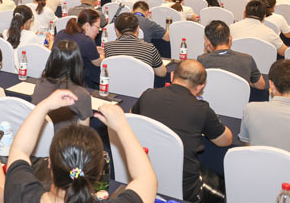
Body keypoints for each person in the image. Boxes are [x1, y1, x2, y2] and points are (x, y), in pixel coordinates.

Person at [6, 90, 156, 203]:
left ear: (49, 162)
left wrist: (43, 106)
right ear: (99, 170)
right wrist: (122, 126)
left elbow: (19, 149)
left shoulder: (20, 193)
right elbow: (146, 178)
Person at [132, 60, 232, 202]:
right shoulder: (202, 109)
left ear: (172, 75)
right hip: (185, 189)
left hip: (141, 174)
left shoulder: (148, 95)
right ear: (200, 87)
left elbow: (132, 119)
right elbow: (225, 141)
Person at [31, 40, 92, 130]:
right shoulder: (82, 94)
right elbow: (83, 132)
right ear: (78, 64)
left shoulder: (40, 84)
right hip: (65, 139)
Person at [198, 20, 265, 90]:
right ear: (230, 38)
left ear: (208, 42)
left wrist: (209, 52)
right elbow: (261, 85)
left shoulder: (202, 61)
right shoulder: (247, 59)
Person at [104, 13, 167, 77]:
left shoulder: (107, 47)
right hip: (143, 83)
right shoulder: (150, 48)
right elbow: (162, 73)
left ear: (116, 31)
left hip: (115, 83)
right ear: (138, 29)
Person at [54, 9, 103, 88]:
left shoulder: (61, 33)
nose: (98, 32)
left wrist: (94, 50)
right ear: (87, 26)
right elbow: (98, 63)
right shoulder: (87, 41)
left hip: (56, 78)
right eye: (98, 28)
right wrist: (102, 54)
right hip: (76, 83)